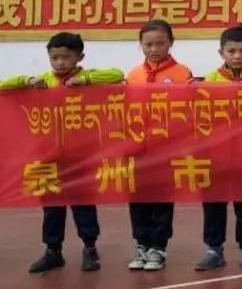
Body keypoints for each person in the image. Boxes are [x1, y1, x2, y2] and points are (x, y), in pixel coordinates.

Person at [1, 32, 123, 274]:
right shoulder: (44, 80)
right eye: (54, 58)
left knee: (82, 202)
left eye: (66, 57)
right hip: (48, 155)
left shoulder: (88, 78)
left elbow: (118, 74)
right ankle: (53, 251)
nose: (60, 63)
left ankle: (89, 247)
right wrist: (27, 80)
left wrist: (85, 79)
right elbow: (3, 85)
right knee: (51, 206)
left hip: (80, 155)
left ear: (80, 57)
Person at [198, 25, 242, 272]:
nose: (237, 56)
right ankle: (213, 248)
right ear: (221, 52)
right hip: (216, 154)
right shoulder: (209, 81)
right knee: (213, 203)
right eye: (231, 51)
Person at [126, 20, 192, 271]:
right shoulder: (133, 75)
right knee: (138, 197)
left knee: (163, 199)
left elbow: (190, 108)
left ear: (171, 43)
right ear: (140, 45)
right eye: (148, 44)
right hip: (138, 147)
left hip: (166, 147)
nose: (154, 49)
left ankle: (158, 247)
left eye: (160, 43)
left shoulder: (182, 73)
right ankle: (141, 244)